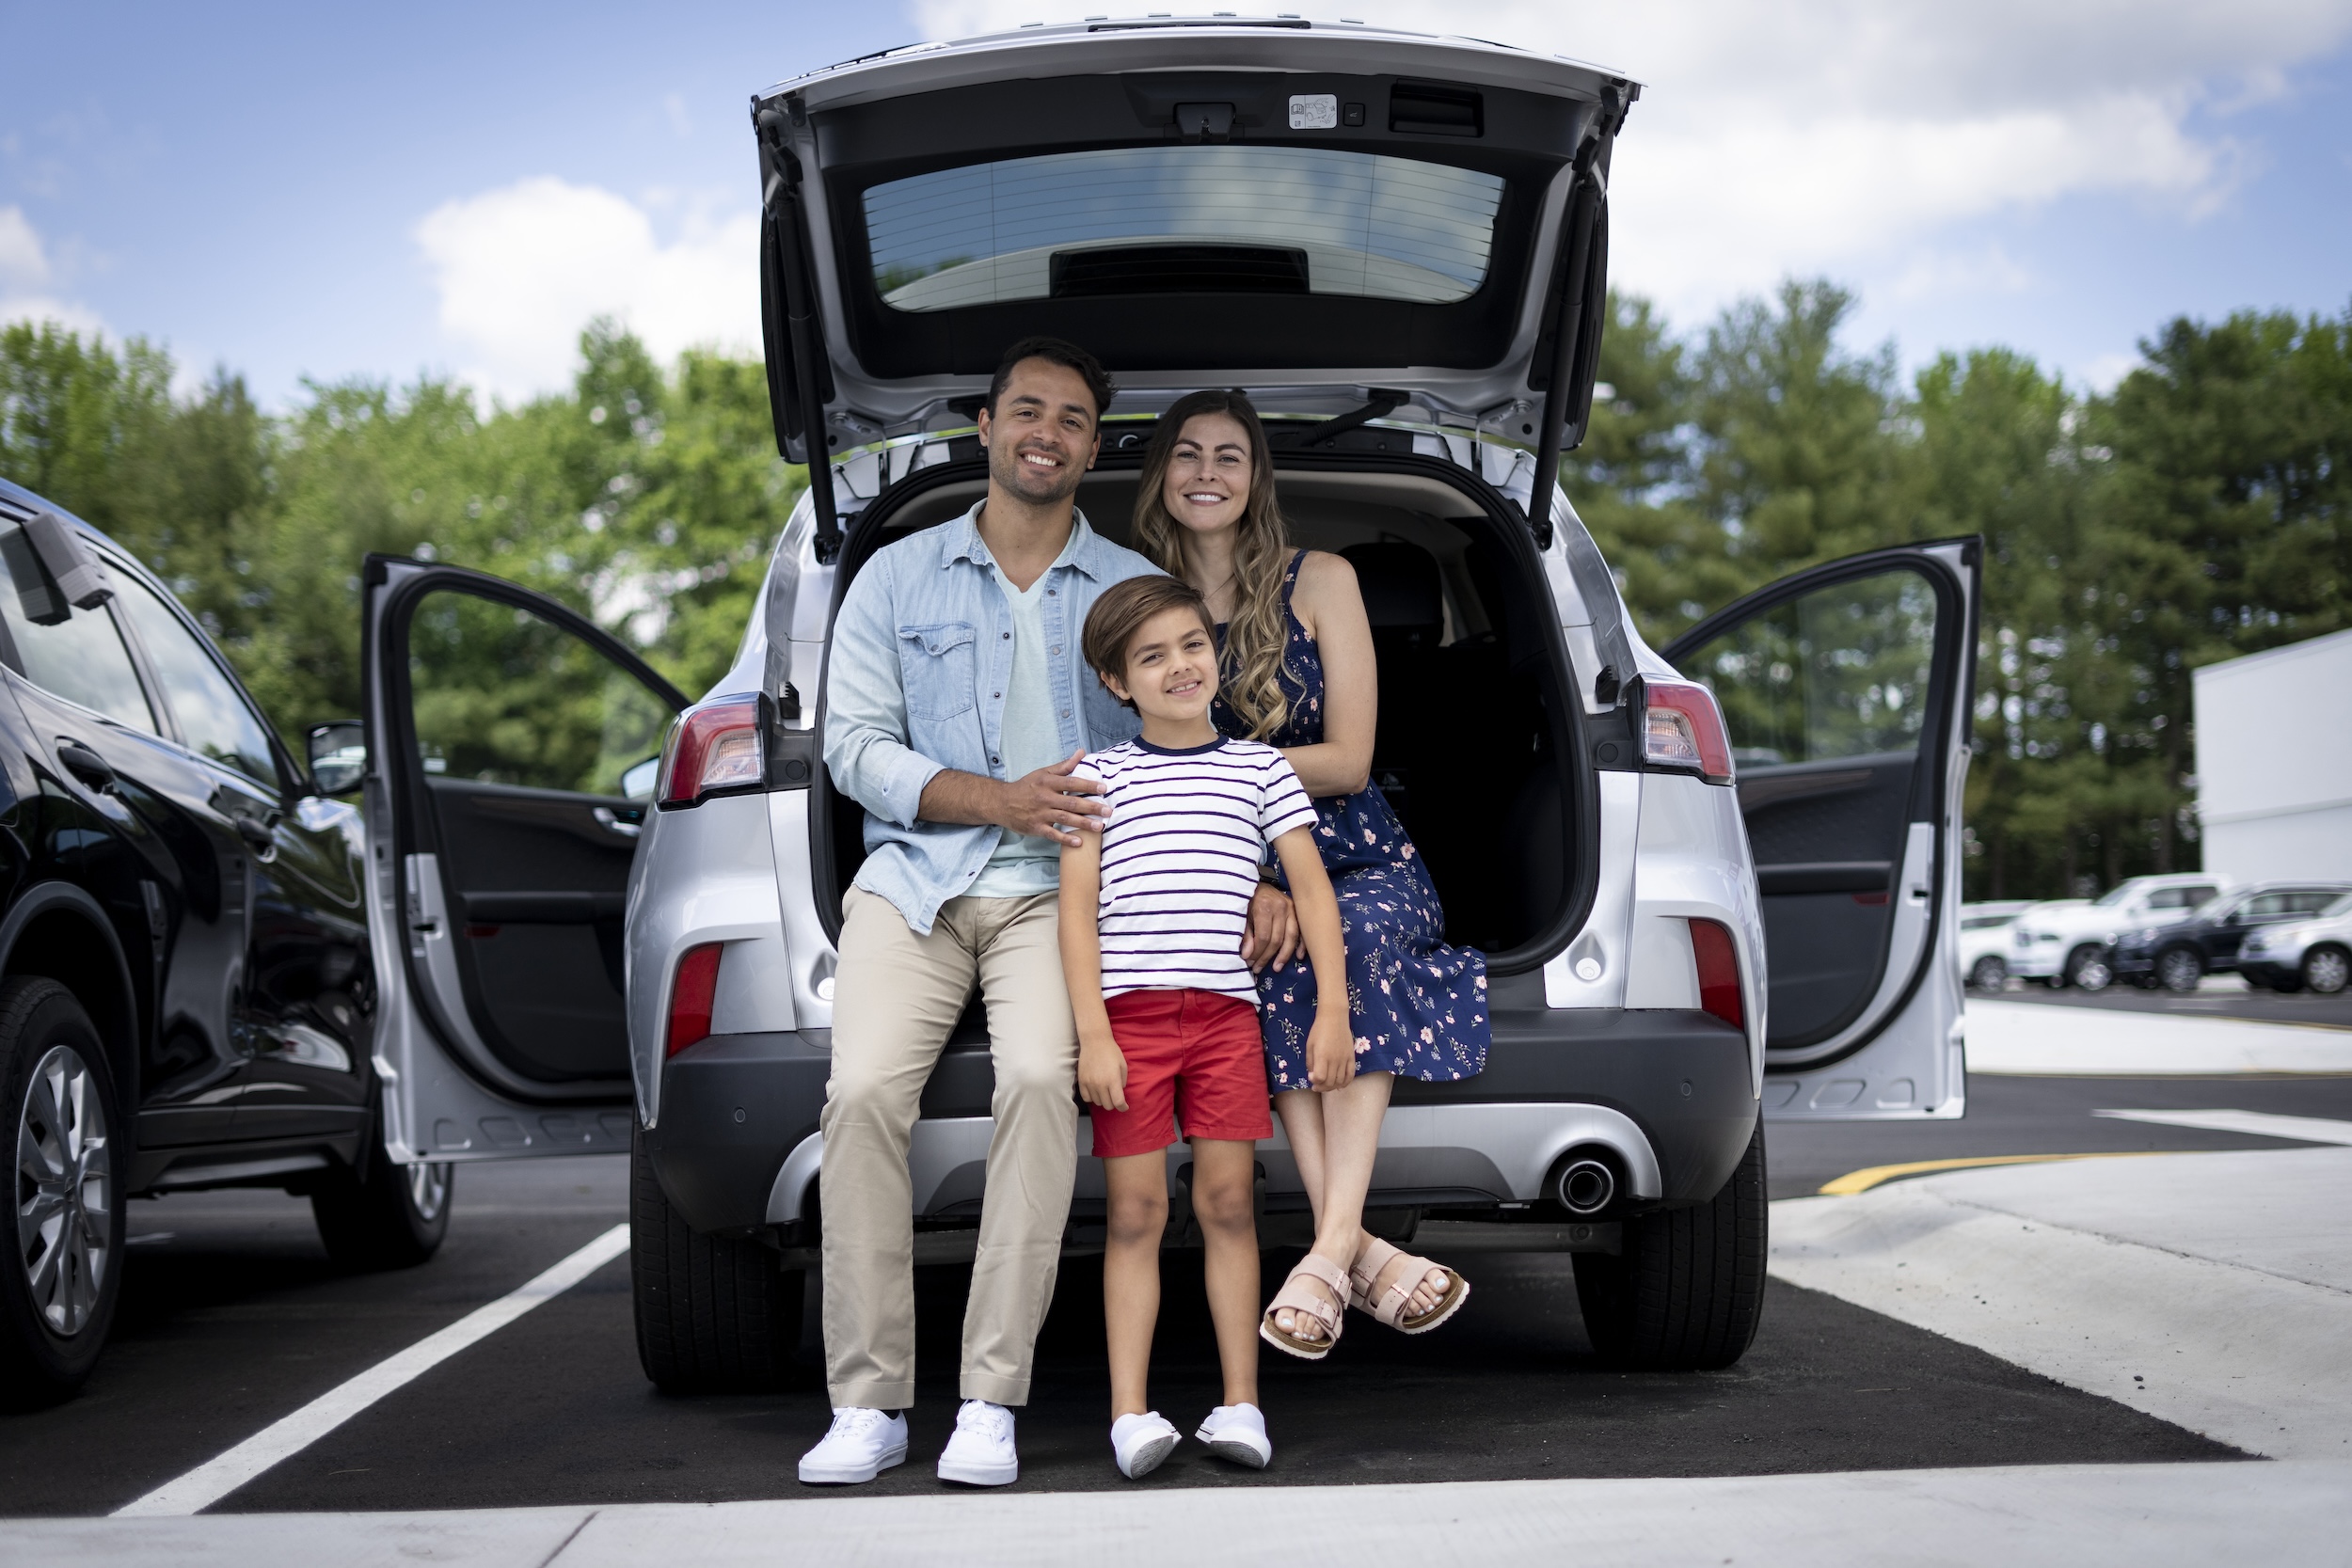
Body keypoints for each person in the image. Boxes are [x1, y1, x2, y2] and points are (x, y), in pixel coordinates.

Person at [799, 338, 1167, 1488]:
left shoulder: (1127, 585)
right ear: (986, 426)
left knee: (1038, 1086)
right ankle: (867, 1402)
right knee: (858, 1094)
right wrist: (996, 797)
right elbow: (851, 747)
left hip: (1056, 899)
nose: (1044, 433)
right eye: (1025, 410)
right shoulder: (895, 575)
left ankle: (989, 1401)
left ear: (1090, 446)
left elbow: (1175, 741)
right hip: (912, 884)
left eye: (1069, 418)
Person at [1132, 388, 1492, 1357]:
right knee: (1267, 944)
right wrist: (1236, 854)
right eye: (1187, 454)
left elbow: (1347, 760)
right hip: (1216, 860)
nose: (1207, 472)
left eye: (1229, 456)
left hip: (1357, 849)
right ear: (1161, 478)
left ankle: (1329, 1249)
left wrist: (1212, 771)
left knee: (1353, 931)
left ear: (1255, 482)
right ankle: (1359, 1251)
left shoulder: (1321, 578)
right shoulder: (1132, 596)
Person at [1058, 575, 1349, 1477]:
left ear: (1215, 654)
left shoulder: (1261, 768)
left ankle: (1241, 1403)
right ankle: (1131, 1413)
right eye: (1151, 656)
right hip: (1131, 1022)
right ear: (1117, 682)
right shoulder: (1095, 778)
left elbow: (1311, 892)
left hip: (1226, 1018)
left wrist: (1332, 1011)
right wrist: (1093, 1034)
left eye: (1192, 645)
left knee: (1228, 1204)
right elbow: (1076, 916)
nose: (1179, 666)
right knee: (1137, 1212)